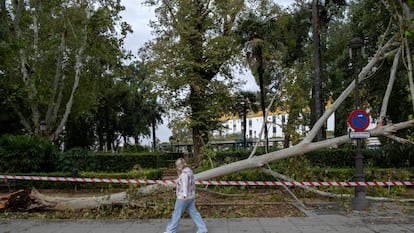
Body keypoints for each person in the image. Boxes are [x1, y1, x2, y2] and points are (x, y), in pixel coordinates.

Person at [164, 158, 208, 233]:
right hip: (191, 196)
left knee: (176, 214)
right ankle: (202, 228)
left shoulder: (184, 174)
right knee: (194, 213)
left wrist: (184, 196)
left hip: (183, 197)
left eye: (177, 166)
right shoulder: (189, 171)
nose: (176, 167)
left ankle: (171, 230)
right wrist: (178, 173)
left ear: (180, 165)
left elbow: (185, 185)